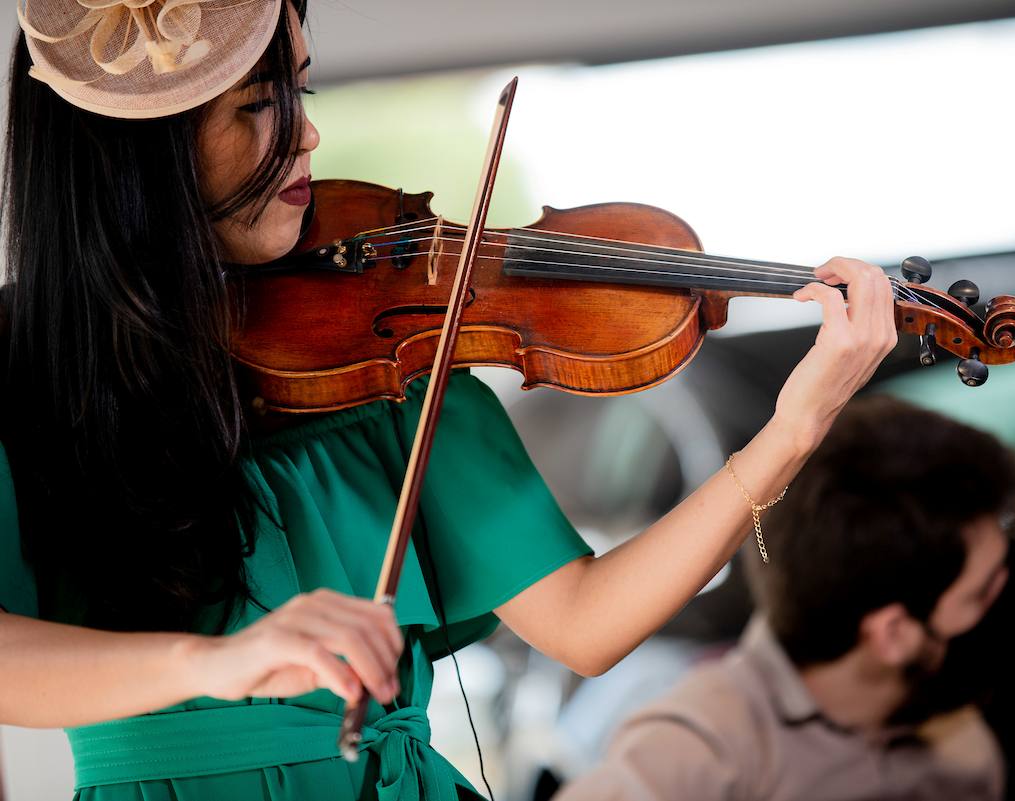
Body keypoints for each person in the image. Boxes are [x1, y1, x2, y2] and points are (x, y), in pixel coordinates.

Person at [0, 1, 898, 799]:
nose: (307, 135)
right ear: (140, 152)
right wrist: (218, 660)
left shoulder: (391, 356)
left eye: (301, 91)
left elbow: (584, 623)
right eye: (259, 104)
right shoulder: (28, 380)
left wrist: (794, 428)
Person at [555, 396, 1015, 801]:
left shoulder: (964, 746)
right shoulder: (700, 748)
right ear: (892, 634)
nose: (1003, 591)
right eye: (980, 592)